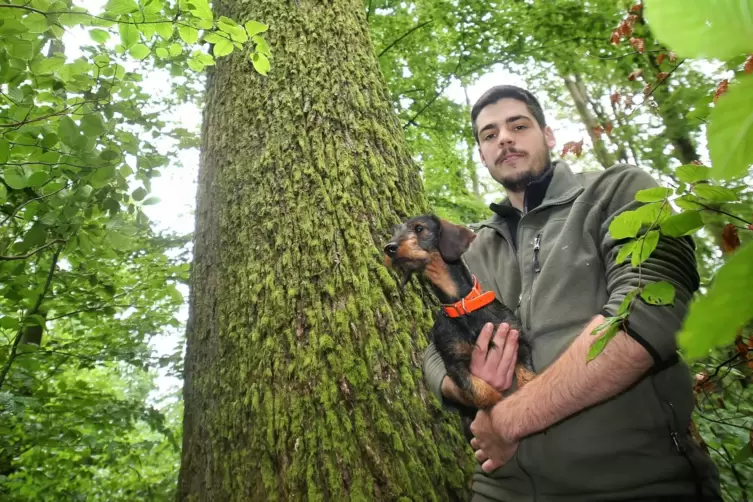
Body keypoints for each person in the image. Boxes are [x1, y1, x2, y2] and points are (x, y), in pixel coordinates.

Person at [422, 85, 722, 502]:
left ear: (547, 135)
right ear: (482, 155)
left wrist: (507, 419)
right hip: (499, 491)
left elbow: (649, 313)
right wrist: (473, 386)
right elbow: (435, 354)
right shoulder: (474, 253)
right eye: (488, 135)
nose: (503, 138)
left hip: (635, 484)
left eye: (518, 125)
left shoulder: (617, 191)